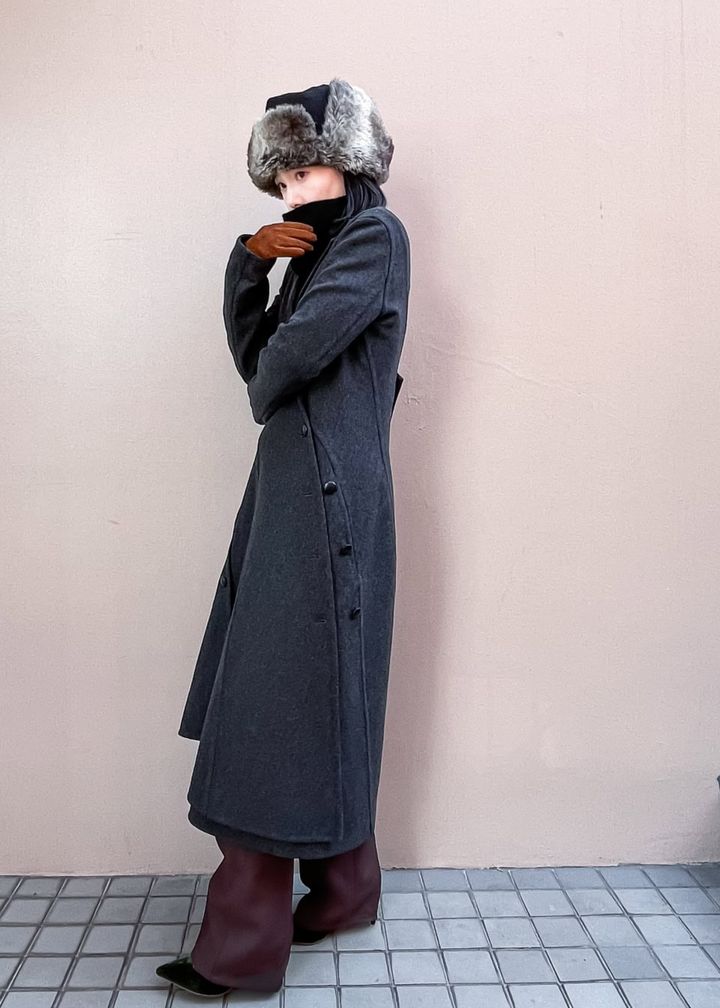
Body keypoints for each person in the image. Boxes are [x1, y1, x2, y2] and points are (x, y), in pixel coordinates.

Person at [156, 77, 411, 997]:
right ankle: (344, 894)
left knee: (274, 702)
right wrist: (247, 264)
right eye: (281, 181)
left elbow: (281, 368)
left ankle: (243, 948)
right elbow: (256, 359)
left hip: (327, 493)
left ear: (347, 160)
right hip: (299, 488)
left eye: (304, 173)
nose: (291, 193)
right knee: (313, 689)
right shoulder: (314, 255)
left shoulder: (375, 239)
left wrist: (269, 368)